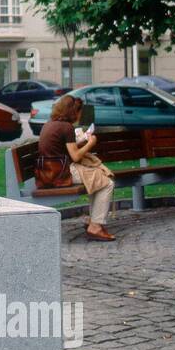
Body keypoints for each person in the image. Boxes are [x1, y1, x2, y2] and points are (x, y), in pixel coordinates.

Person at [37, 94, 116, 242]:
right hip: (61, 173)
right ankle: (95, 226)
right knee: (107, 183)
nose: (80, 115)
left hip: (49, 171)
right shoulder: (66, 127)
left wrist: (81, 141)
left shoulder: (50, 124)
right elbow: (76, 157)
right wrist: (90, 143)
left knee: (99, 179)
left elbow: (65, 150)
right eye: (79, 112)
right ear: (73, 112)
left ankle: (94, 221)